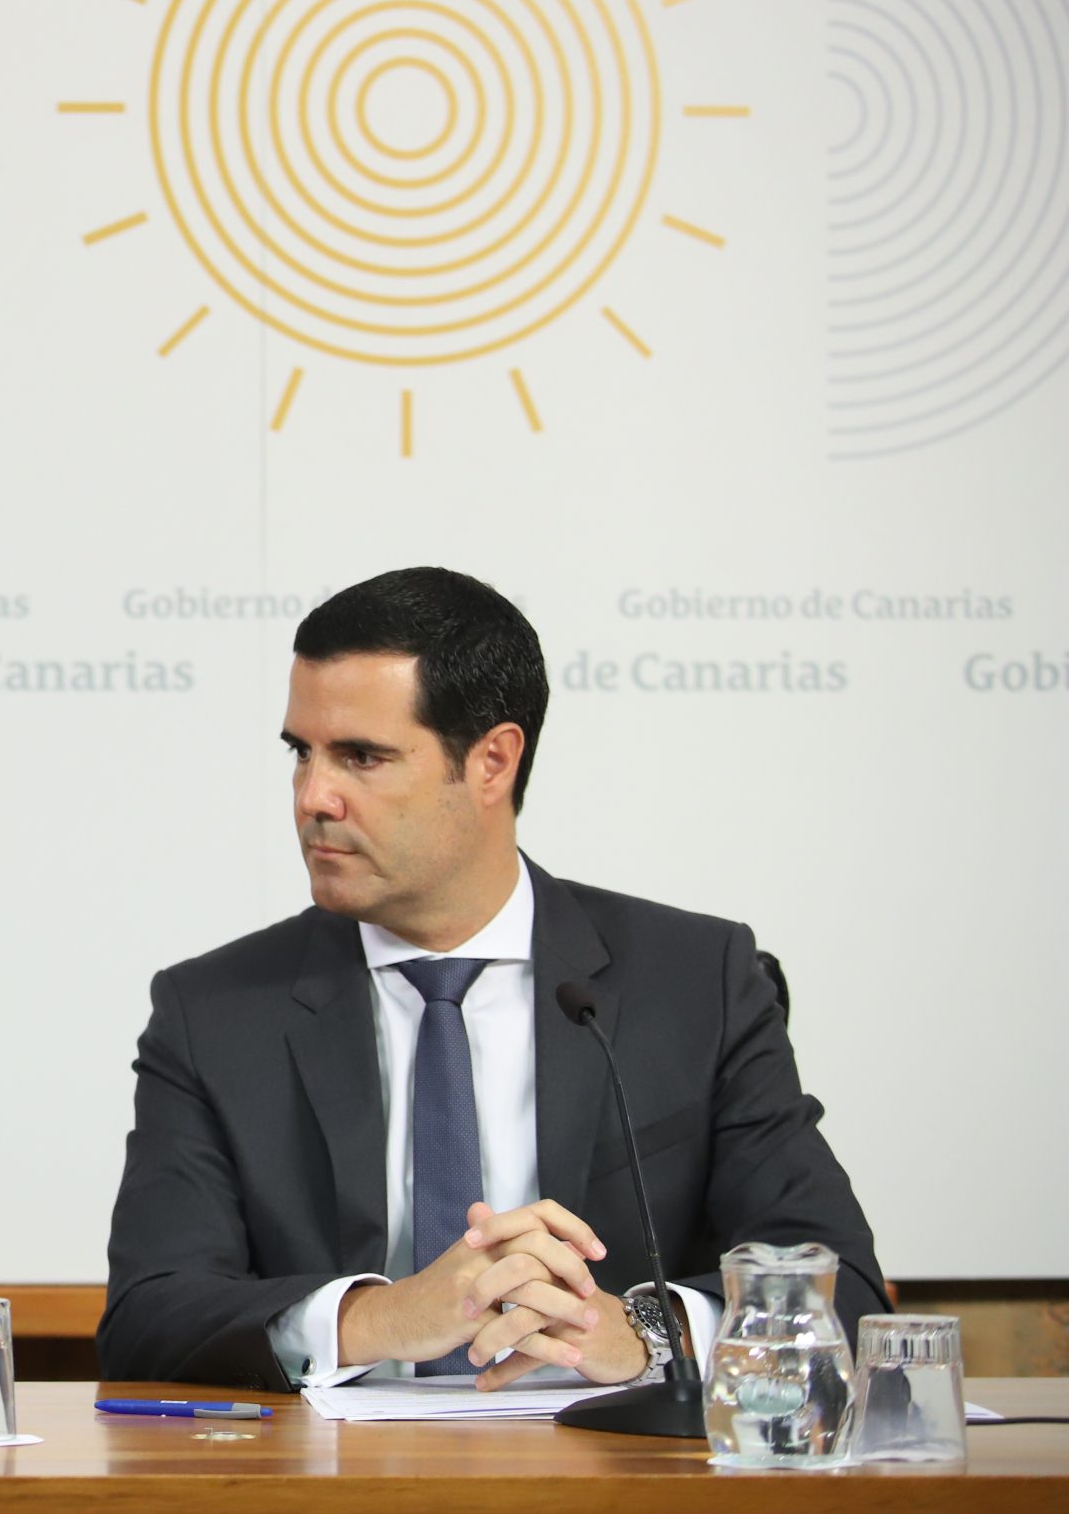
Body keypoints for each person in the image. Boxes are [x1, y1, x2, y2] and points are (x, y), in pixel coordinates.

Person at [98, 567, 886, 1393]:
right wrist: (377, 1317)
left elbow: (844, 1293)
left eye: (361, 756)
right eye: (303, 752)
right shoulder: (214, 1012)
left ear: (492, 761)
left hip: (610, 1458)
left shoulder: (696, 982)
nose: (313, 796)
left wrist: (643, 1332)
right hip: (336, 1462)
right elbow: (147, 1320)